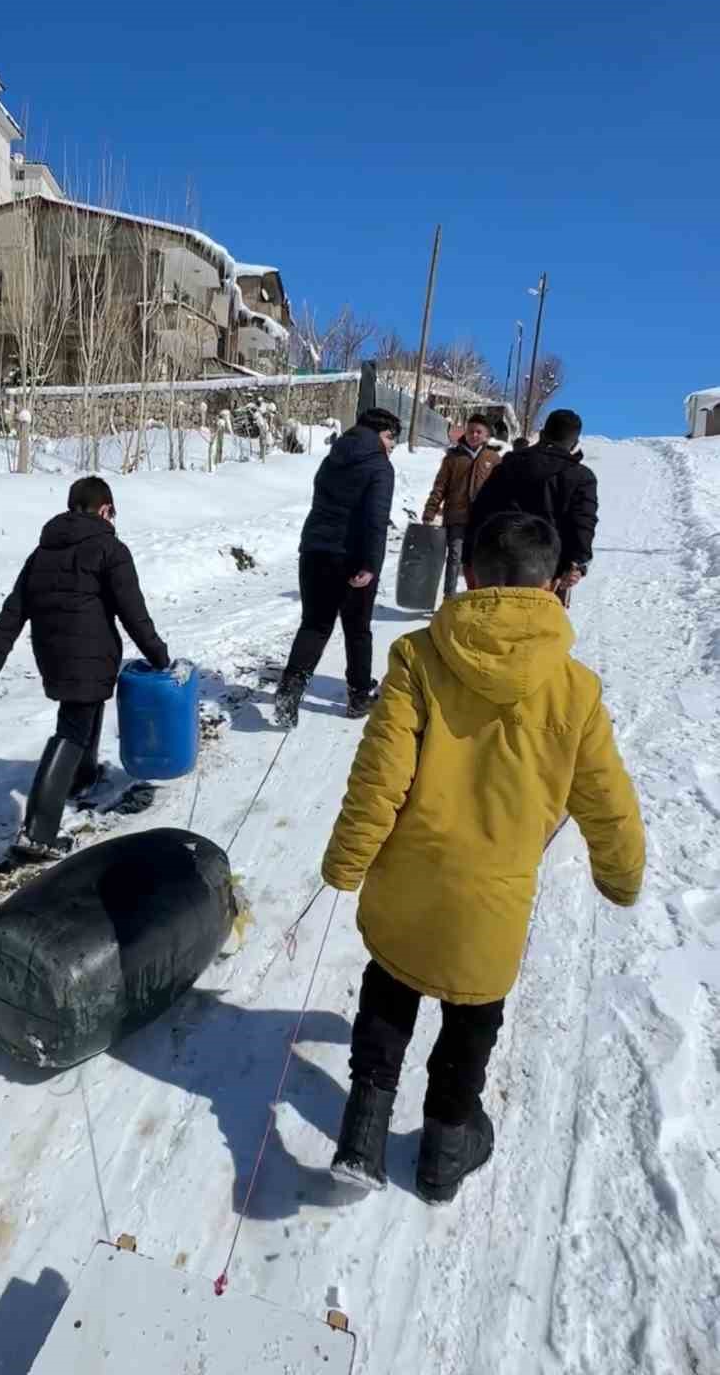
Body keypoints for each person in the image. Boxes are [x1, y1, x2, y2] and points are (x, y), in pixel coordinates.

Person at [322, 511, 644, 1204]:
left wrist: (347, 862)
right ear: (554, 586)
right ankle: (445, 1152)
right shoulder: (576, 688)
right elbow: (606, 798)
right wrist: (621, 874)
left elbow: (380, 777)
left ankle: (362, 1132)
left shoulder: (417, 656)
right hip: (494, 897)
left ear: (469, 575)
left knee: (391, 985)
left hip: (409, 876)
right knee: (472, 1017)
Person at [0, 476, 169, 856]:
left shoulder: (42, 552)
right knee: (73, 729)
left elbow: (12, 613)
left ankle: (81, 777)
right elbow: (134, 613)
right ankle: (38, 833)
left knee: (84, 711)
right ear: (105, 509)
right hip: (89, 655)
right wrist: (159, 656)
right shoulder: (110, 549)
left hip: (53, 656)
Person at [274, 407, 401, 729]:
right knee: (358, 628)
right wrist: (370, 564)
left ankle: (290, 688)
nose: (392, 445)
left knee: (314, 624)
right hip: (351, 556)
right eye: (390, 437)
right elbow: (376, 520)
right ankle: (359, 696)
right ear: (378, 434)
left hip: (314, 550)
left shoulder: (332, 458)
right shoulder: (379, 466)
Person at [465, 409, 598, 605]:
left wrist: (468, 559)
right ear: (574, 443)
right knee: (538, 623)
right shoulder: (581, 477)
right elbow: (583, 523)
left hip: (497, 567)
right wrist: (577, 564)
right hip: (547, 573)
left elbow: (480, 512)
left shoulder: (507, 465)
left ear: (542, 434)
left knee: (493, 621)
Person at [421, 413, 501, 599]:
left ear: (486, 435)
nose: (474, 435)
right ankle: (449, 596)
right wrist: (430, 510)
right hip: (456, 516)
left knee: (478, 559)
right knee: (455, 556)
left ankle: (477, 596)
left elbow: (500, 489)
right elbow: (440, 486)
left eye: (479, 432)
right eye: (471, 431)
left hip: (482, 519)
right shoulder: (453, 457)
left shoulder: (493, 458)